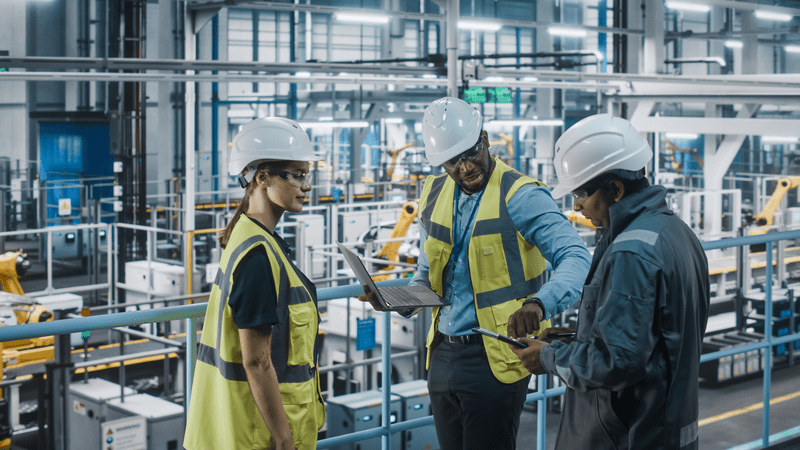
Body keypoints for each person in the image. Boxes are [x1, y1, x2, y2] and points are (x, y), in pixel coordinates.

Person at [358, 97, 591, 450]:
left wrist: (539, 305)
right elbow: (426, 272)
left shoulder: (521, 195)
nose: (465, 167)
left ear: (484, 139)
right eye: (453, 161)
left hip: (494, 356)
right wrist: (398, 300)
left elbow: (575, 256)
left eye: (471, 152)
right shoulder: (433, 192)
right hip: (440, 352)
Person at [511, 113, 710, 449]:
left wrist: (547, 358)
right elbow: (654, 336)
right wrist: (574, 339)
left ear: (615, 189)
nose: (576, 205)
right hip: (669, 426)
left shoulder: (630, 253)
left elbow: (618, 363)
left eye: (581, 194)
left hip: (628, 435)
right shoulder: (677, 232)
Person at [184, 117, 325, 450]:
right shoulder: (257, 258)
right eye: (298, 175)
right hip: (258, 432)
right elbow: (256, 361)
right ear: (262, 178)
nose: (306, 186)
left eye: (308, 176)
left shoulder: (250, 236)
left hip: (238, 424)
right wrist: (284, 437)